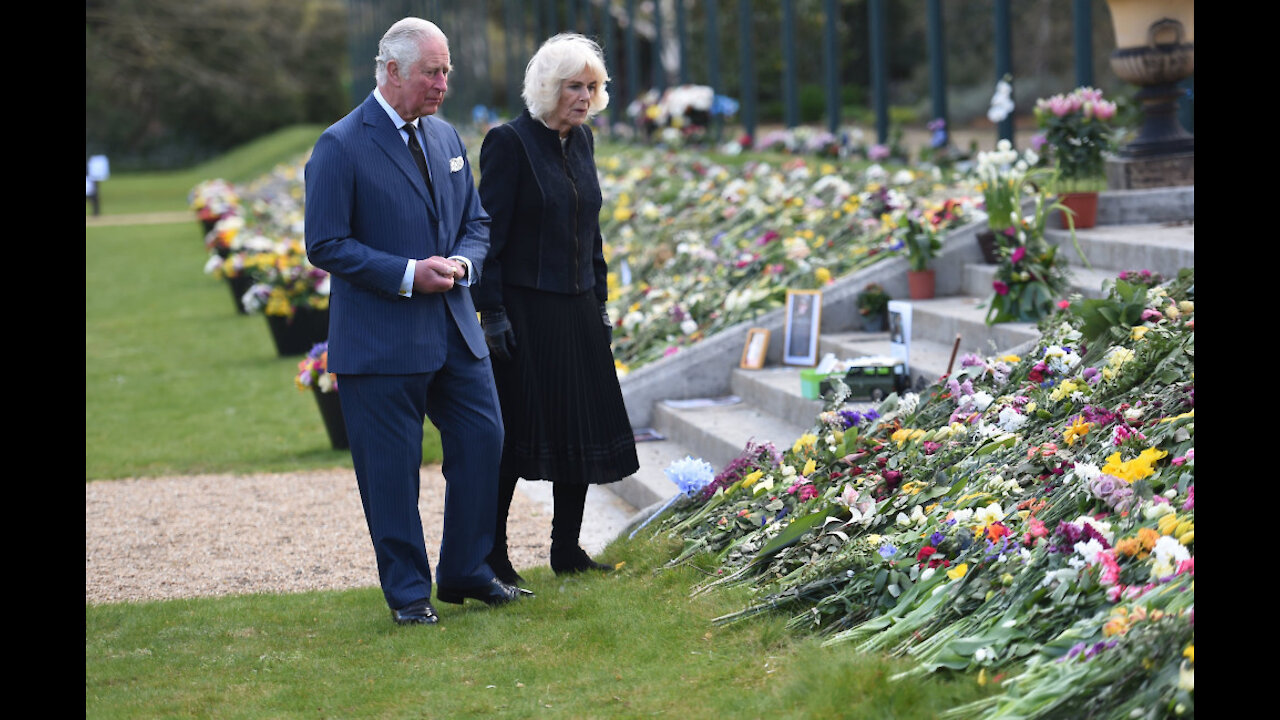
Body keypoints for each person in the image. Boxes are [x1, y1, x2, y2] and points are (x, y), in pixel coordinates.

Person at [304, 16, 532, 627]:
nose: (443, 83)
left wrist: (461, 262)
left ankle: (465, 570)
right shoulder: (340, 145)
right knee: (391, 475)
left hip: (455, 330)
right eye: (433, 71)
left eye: (447, 70)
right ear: (392, 71)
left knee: (485, 441)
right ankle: (408, 595)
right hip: (379, 341)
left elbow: (477, 224)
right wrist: (408, 272)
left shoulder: (447, 138)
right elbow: (325, 244)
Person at [475, 33, 639, 583]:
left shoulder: (583, 141)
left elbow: (589, 230)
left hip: (576, 308)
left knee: (582, 429)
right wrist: (491, 312)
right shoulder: (508, 143)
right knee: (515, 439)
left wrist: (601, 300)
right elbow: (487, 237)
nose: (585, 96)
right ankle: (492, 557)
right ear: (548, 86)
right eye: (575, 85)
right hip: (524, 312)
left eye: (593, 87)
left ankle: (566, 551)